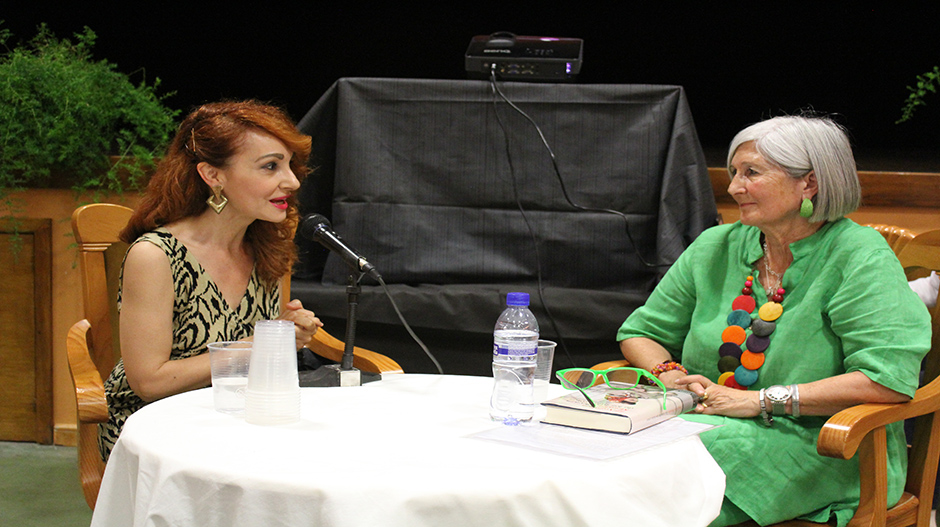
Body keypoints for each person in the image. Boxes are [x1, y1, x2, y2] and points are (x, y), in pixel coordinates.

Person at [617, 115, 931, 526]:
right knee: (618, 468)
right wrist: (670, 372)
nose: (733, 187)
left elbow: (885, 379)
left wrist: (758, 400)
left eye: (751, 173)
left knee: (657, 486)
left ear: (810, 184)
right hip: (705, 424)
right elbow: (642, 332)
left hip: (829, 446)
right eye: (733, 172)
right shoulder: (716, 245)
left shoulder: (859, 256)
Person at [98, 100, 324, 462]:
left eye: (289, 165)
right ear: (213, 175)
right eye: (270, 166)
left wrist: (290, 331)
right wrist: (264, 344)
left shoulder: (267, 246)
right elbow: (149, 382)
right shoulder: (156, 255)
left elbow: (263, 348)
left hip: (239, 422)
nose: (292, 181)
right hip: (153, 431)